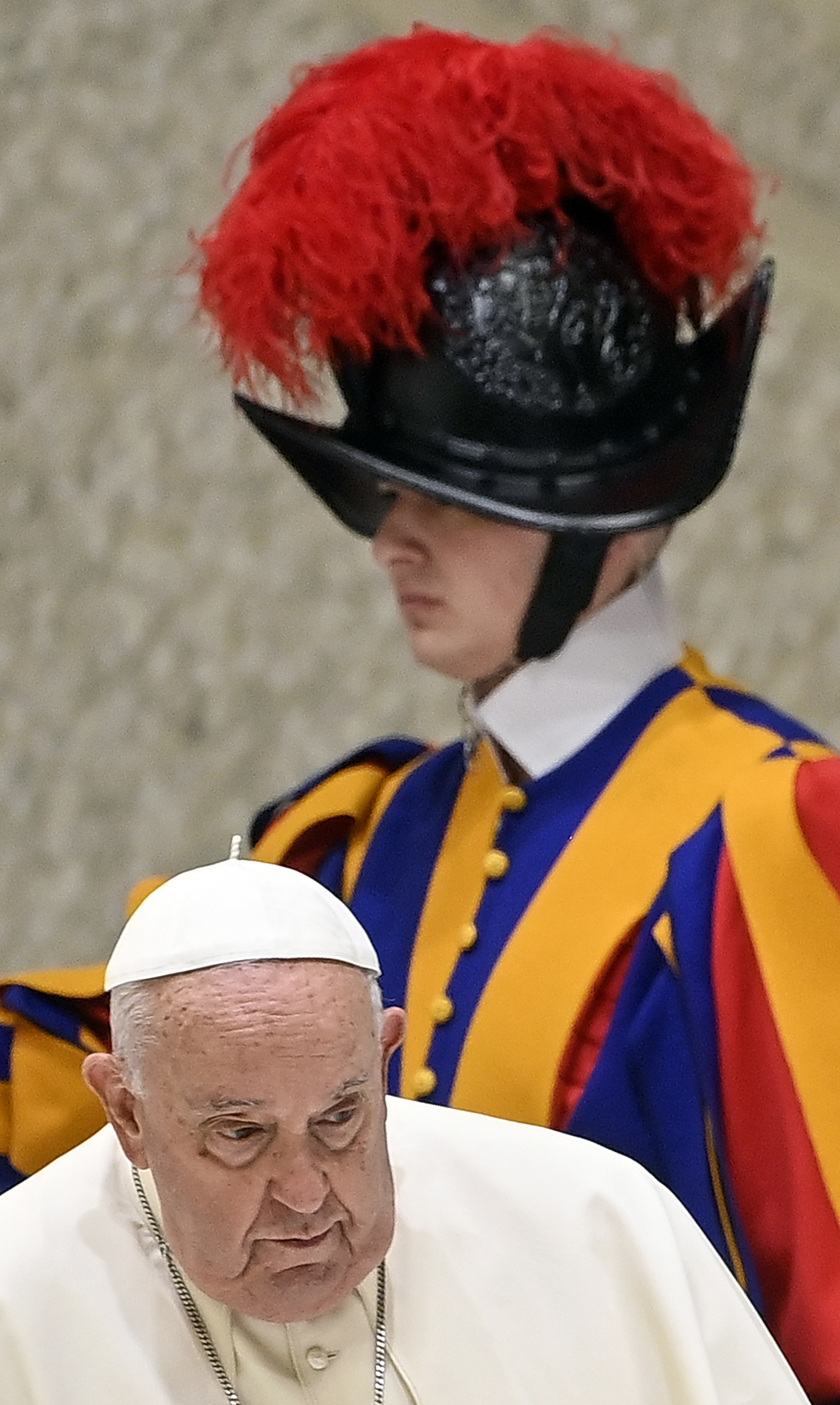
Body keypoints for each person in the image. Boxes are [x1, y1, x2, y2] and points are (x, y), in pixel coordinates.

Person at [1, 23, 838, 1399]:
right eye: (384, 488)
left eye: (453, 492)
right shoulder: (352, 839)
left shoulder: (777, 837)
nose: (394, 537)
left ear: (611, 510)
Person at [0, 855, 812, 1404]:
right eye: (240, 1134)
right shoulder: (17, 1289)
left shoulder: (599, 1221)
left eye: (340, 1117)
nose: (306, 1192)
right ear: (128, 1112)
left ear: (385, 1059)